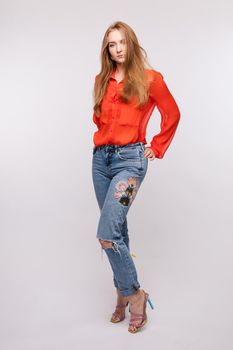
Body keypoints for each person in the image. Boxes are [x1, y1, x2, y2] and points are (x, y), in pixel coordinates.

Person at [91, 21, 180, 333]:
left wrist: (157, 146)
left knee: (106, 234)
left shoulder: (149, 79)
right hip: (101, 162)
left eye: (121, 43)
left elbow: (172, 113)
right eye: (111, 44)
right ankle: (122, 295)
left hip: (130, 163)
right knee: (118, 232)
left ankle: (135, 295)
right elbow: (99, 118)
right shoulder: (102, 79)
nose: (117, 49)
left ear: (131, 43)